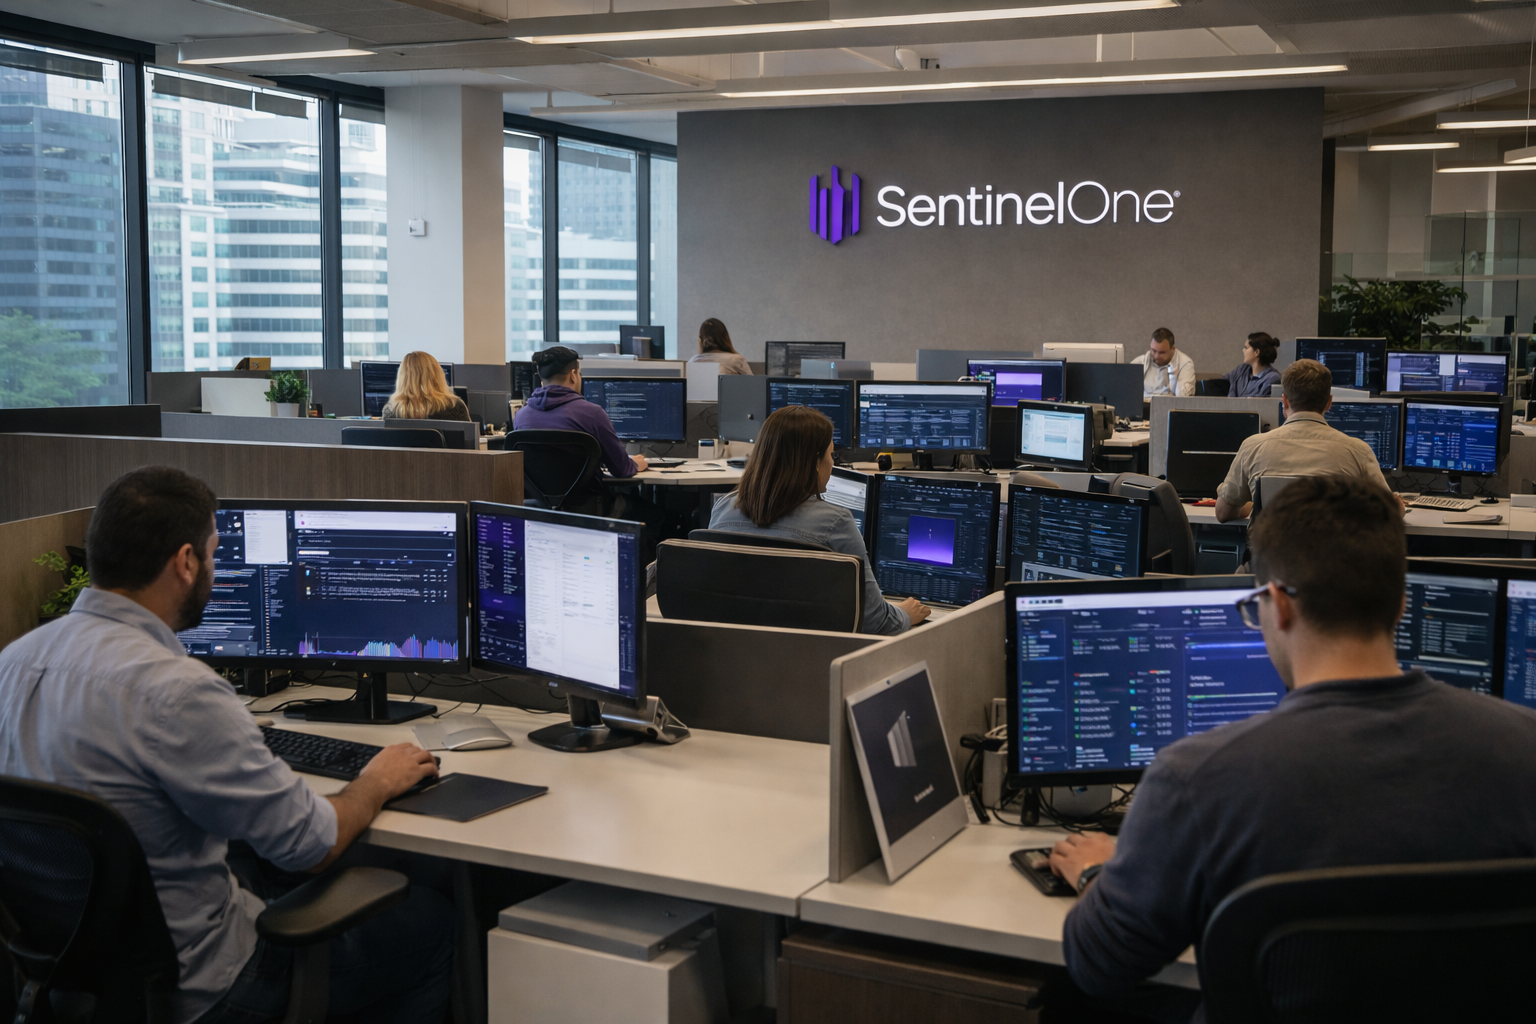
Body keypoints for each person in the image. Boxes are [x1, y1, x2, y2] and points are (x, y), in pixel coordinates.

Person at [1049, 475, 1536, 1020]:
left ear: (1277, 604)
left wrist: (1098, 873)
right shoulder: (1525, 748)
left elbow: (1100, 964)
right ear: (1400, 604)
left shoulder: (1197, 778)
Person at [0, 467, 453, 1024]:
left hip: (70, 981)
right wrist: (375, 782)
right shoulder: (178, 692)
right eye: (216, 553)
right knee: (433, 922)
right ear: (185, 563)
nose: (217, 569)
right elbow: (312, 847)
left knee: (249, 864)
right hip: (206, 988)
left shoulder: (12, 663)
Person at [708, 405, 927, 634]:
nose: (832, 463)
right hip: (810, 650)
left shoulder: (722, 509)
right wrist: (905, 614)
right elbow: (875, 623)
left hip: (732, 647)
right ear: (814, 462)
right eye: (830, 454)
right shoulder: (835, 523)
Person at [1214, 358, 1401, 523]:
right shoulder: (1357, 451)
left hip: (1268, 552)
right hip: (1332, 553)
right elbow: (1388, 512)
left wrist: (1252, 506)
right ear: (1329, 402)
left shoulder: (1253, 446)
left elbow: (1223, 513)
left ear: (1285, 401)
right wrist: (1398, 504)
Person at [381, 350, 471, 421]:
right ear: (437, 375)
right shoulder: (454, 406)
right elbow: (470, 437)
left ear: (402, 378)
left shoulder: (390, 411)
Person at [1133, 327, 1195, 398]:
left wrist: (1174, 377)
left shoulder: (1185, 364)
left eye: (1162, 352)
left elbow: (1183, 399)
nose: (1156, 356)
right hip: (1143, 403)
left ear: (1173, 349)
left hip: (1169, 404)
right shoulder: (1141, 361)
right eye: (1154, 350)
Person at [1222, 331, 1282, 398]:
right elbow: (1223, 382)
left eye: (1246, 347)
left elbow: (1260, 402)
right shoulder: (1241, 370)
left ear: (1256, 352)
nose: (1243, 350)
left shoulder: (1272, 378)